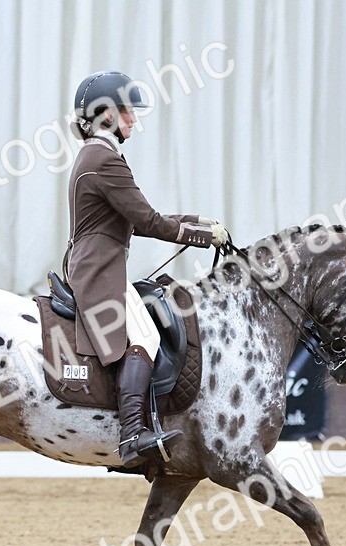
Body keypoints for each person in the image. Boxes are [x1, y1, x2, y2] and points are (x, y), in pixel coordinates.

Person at [63, 70, 228, 467]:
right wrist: (203, 237)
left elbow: (137, 218)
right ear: (105, 116)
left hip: (95, 262)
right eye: (126, 112)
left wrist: (199, 221)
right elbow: (150, 221)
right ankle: (133, 434)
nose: (133, 119)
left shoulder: (97, 157)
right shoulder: (104, 160)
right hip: (99, 270)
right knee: (145, 338)